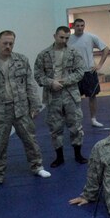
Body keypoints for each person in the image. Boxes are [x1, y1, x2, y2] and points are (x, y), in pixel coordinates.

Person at [0, 30, 51, 191]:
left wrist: (35, 105)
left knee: (30, 140)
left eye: (11, 43)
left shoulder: (21, 60)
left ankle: (37, 166)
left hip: (21, 109)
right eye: (5, 43)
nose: (8, 46)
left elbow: (30, 84)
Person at [34, 26, 88, 168]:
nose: (64, 40)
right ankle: (59, 157)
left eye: (66, 38)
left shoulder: (73, 52)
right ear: (55, 36)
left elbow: (80, 71)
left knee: (76, 125)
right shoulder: (44, 54)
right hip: (53, 96)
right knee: (55, 127)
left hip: (70, 94)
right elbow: (38, 74)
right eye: (61, 37)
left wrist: (65, 81)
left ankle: (78, 154)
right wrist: (51, 83)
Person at [69, 18, 110, 128]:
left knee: (92, 96)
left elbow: (106, 49)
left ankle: (93, 119)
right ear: (73, 26)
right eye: (78, 25)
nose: (80, 27)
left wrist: (100, 64)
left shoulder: (91, 37)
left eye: (82, 25)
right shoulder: (68, 39)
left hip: (89, 72)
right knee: (75, 98)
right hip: (75, 73)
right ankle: (76, 121)